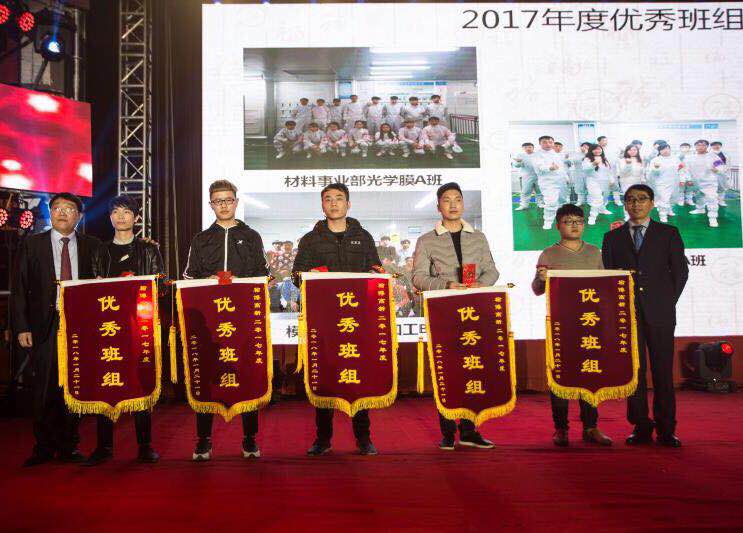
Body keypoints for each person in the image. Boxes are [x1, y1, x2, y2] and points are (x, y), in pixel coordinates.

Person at [12, 192, 104, 466]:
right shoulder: (32, 244)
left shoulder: (92, 245)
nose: (62, 212)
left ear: (79, 215)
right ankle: (42, 447)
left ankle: (69, 446)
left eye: (69, 208)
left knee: (74, 385)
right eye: (57, 208)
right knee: (44, 387)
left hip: (80, 324)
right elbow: (19, 288)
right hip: (44, 324)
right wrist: (21, 327)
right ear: (50, 213)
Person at [291, 183, 382, 456]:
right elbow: (296, 276)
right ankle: (323, 438)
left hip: (358, 320)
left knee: (359, 376)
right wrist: (308, 276)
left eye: (339, 198)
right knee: (325, 376)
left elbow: (375, 269)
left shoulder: (363, 237)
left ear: (348, 204)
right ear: (322, 205)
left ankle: (364, 438)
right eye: (328, 199)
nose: (333, 203)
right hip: (324, 321)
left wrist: (377, 274)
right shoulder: (311, 239)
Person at [183, 180, 269, 461]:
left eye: (228, 200)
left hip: (243, 319)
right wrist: (206, 280)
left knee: (246, 372)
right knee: (208, 374)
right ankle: (204, 440)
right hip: (210, 322)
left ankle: (249, 439)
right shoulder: (201, 239)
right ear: (211, 205)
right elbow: (189, 276)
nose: (223, 205)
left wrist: (242, 283)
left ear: (236, 202)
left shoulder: (252, 236)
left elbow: (264, 275)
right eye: (218, 201)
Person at [411, 182, 499, 450]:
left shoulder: (478, 237)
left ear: (463, 204)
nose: (452, 204)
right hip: (444, 311)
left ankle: (469, 431)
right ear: (438, 206)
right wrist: (446, 285)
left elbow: (492, 270)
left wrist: (480, 285)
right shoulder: (427, 240)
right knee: (446, 370)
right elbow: (417, 277)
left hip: (474, 311)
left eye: (457, 199)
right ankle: (448, 432)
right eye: (447, 200)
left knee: (472, 367)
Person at [602, 184, 688, 447]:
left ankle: (666, 429)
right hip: (627, 315)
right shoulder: (612, 238)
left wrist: (665, 301)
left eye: (641, 199)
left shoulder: (668, 233)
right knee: (634, 373)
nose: (636, 204)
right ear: (624, 204)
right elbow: (609, 277)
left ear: (652, 203)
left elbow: (680, 273)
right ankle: (640, 426)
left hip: (661, 314)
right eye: (630, 200)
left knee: (663, 372)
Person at [82, 195, 164, 466]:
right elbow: (89, 290)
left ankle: (145, 446)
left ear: (136, 218)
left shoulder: (149, 250)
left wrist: (140, 286)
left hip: (139, 326)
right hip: (107, 328)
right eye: (115, 212)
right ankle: (104, 446)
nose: (120, 216)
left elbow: (160, 286)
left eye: (127, 212)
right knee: (106, 382)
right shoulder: (100, 250)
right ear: (109, 218)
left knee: (141, 381)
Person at [532, 204, 612, 447]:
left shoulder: (595, 253)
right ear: (558, 226)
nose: (574, 225)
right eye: (568, 221)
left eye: (578, 221)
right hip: (562, 325)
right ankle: (561, 428)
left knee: (590, 373)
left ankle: (591, 427)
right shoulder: (548, 254)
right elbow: (537, 290)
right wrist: (541, 279)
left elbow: (606, 285)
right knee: (561, 377)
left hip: (590, 323)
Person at [686, 139, 726, 228]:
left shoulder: (713, 156)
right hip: (696, 181)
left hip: (709, 181)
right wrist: (688, 179)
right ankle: (700, 209)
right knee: (698, 196)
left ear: (707, 146)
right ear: (695, 146)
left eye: (703, 145)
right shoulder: (691, 157)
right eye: (698, 145)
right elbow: (687, 169)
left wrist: (717, 170)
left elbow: (721, 166)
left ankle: (713, 218)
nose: (701, 147)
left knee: (712, 198)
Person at [533, 135, 568, 230]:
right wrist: (550, 167)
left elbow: (561, 167)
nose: (548, 144)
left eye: (550, 142)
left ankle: (560, 217)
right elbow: (538, 167)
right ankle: (548, 221)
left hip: (560, 181)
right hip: (548, 182)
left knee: (562, 201)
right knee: (551, 202)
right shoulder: (537, 155)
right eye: (544, 142)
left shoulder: (555, 153)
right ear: (540, 143)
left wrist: (566, 177)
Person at [648, 142, 681, 223]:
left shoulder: (675, 159)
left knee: (673, 197)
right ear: (659, 151)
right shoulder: (655, 160)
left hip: (674, 182)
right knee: (664, 198)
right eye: (663, 149)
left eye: (667, 149)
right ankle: (663, 215)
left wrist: (683, 179)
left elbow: (681, 169)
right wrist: (656, 168)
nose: (665, 151)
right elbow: (652, 173)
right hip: (661, 183)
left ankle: (669, 210)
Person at [582, 143, 614, 226]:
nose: (597, 151)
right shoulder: (587, 159)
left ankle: (602, 209)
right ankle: (592, 217)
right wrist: (593, 164)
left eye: (599, 149)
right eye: (595, 149)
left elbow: (609, 171)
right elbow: (585, 170)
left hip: (604, 181)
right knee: (596, 198)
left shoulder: (604, 159)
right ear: (591, 150)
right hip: (593, 182)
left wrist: (611, 180)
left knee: (604, 197)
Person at [617, 144, 645, 220]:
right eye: (630, 150)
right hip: (626, 182)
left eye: (634, 150)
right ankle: (627, 215)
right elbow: (623, 172)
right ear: (627, 151)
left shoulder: (640, 160)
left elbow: (642, 172)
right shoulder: (622, 160)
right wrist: (628, 164)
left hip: (637, 182)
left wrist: (643, 181)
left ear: (637, 151)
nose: (632, 151)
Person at [513, 142, 541, 210]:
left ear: (533, 148)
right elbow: (516, 165)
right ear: (523, 148)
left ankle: (541, 204)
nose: (528, 149)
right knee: (525, 191)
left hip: (539, 176)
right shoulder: (520, 155)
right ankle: (524, 205)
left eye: (529, 147)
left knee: (539, 191)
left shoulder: (538, 155)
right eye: (525, 147)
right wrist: (518, 162)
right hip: (526, 176)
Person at [674, 143, 695, 207]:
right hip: (680, 175)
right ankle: (681, 200)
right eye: (683, 147)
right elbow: (674, 167)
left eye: (686, 147)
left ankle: (689, 200)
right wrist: (679, 167)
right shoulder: (676, 156)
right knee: (681, 189)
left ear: (689, 148)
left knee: (690, 188)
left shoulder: (693, 156)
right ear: (680, 148)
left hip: (690, 175)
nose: (684, 148)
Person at [710, 141, 729, 207]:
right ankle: (711, 202)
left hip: (722, 173)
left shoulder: (725, 154)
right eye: (714, 145)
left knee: (722, 188)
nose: (716, 146)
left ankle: (721, 201)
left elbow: (728, 164)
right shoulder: (709, 154)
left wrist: (727, 173)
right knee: (711, 188)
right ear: (711, 146)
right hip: (712, 173)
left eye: (718, 145)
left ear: (720, 146)